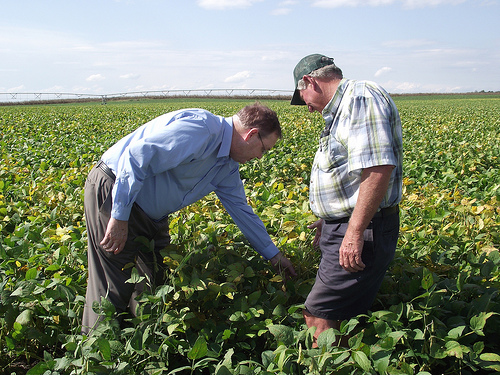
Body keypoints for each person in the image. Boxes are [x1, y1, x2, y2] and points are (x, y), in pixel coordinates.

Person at [82, 102, 296, 334]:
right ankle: (94, 352)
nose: (260, 157)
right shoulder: (202, 130)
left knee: (154, 279)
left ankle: (136, 343)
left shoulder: (227, 166)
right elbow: (136, 157)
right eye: (263, 150)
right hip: (117, 190)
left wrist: (274, 255)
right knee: (113, 281)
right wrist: (120, 216)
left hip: (150, 214)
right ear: (252, 135)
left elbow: (241, 211)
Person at [290, 54, 403, 346]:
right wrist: (329, 219)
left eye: (303, 99)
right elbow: (349, 175)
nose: (308, 109)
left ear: (309, 82)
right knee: (342, 316)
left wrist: (352, 231)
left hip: (362, 228)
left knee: (318, 316)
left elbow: (378, 167)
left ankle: (322, 366)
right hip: (350, 225)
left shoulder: (360, 97)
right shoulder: (341, 108)